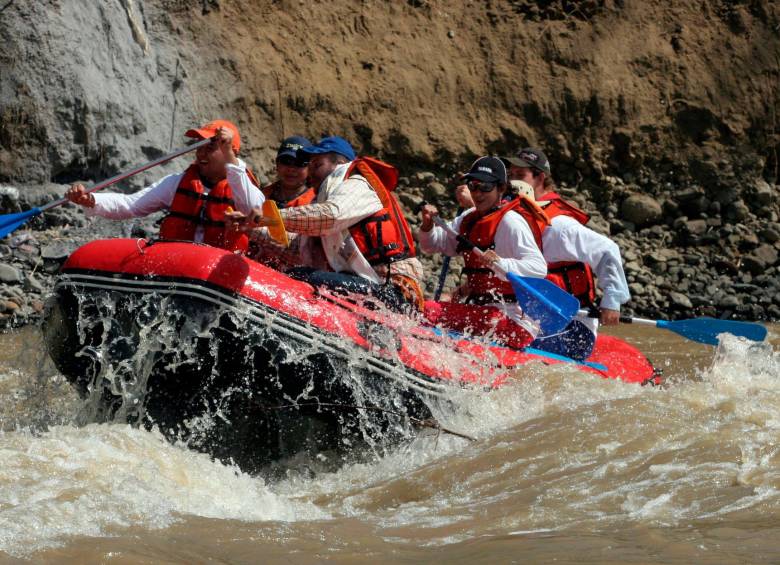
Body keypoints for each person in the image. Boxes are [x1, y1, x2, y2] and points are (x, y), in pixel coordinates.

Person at [230, 136, 425, 312]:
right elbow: (299, 247)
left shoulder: (359, 185)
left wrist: (270, 217)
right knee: (300, 273)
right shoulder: (323, 200)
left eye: (317, 165)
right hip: (369, 283)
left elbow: (331, 216)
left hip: (394, 291)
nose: (311, 172)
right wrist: (251, 228)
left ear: (340, 163)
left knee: (303, 276)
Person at [504, 147, 631, 359]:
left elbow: (608, 250)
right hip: (531, 320)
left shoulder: (559, 226)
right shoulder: (513, 218)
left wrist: (611, 301)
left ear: (540, 178)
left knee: (515, 344)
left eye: (520, 175)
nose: (512, 181)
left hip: (574, 327)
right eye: (511, 175)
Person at [65, 120, 264, 251]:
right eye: (199, 147)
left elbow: (251, 208)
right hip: (178, 262)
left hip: (221, 272)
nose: (201, 154)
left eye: (210, 147)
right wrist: (90, 199)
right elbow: (130, 205)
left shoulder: (245, 188)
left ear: (231, 152)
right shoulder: (177, 182)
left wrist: (228, 154)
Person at [417, 156, 549, 349]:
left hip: (514, 322)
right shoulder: (468, 219)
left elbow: (539, 268)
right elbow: (434, 245)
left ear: (501, 188)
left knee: (426, 310)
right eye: (473, 185)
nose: (477, 193)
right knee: (425, 308)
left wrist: (501, 263)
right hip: (484, 312)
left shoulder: (510, 222)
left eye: (485, 187)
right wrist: (427, 227)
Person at [250, 136, 314, 269]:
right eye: (286, 161)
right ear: (277, 164)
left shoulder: (315, 202)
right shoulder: (261, 195)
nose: (291, 169)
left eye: (299, 163)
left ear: (310, 167)